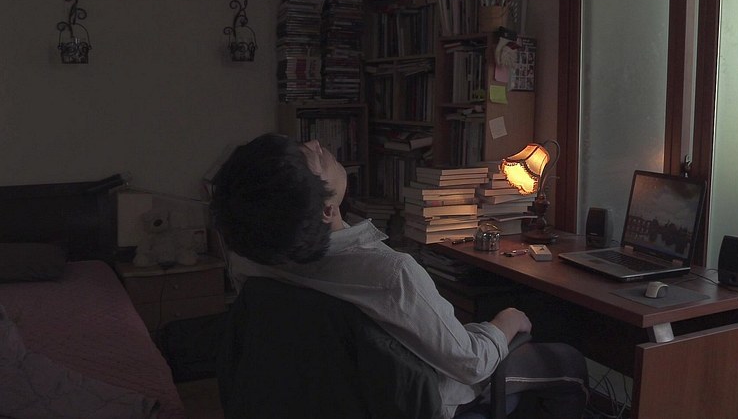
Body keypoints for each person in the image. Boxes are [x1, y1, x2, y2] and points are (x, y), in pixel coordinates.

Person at [211, 133, 588, 418]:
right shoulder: (389, 274)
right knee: (567, 362)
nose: (315, 143)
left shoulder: (256, 260)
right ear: (325, 211)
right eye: (313, 157)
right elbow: (471, 363)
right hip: (434, 399)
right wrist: (507, 320)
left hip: (335, 398)